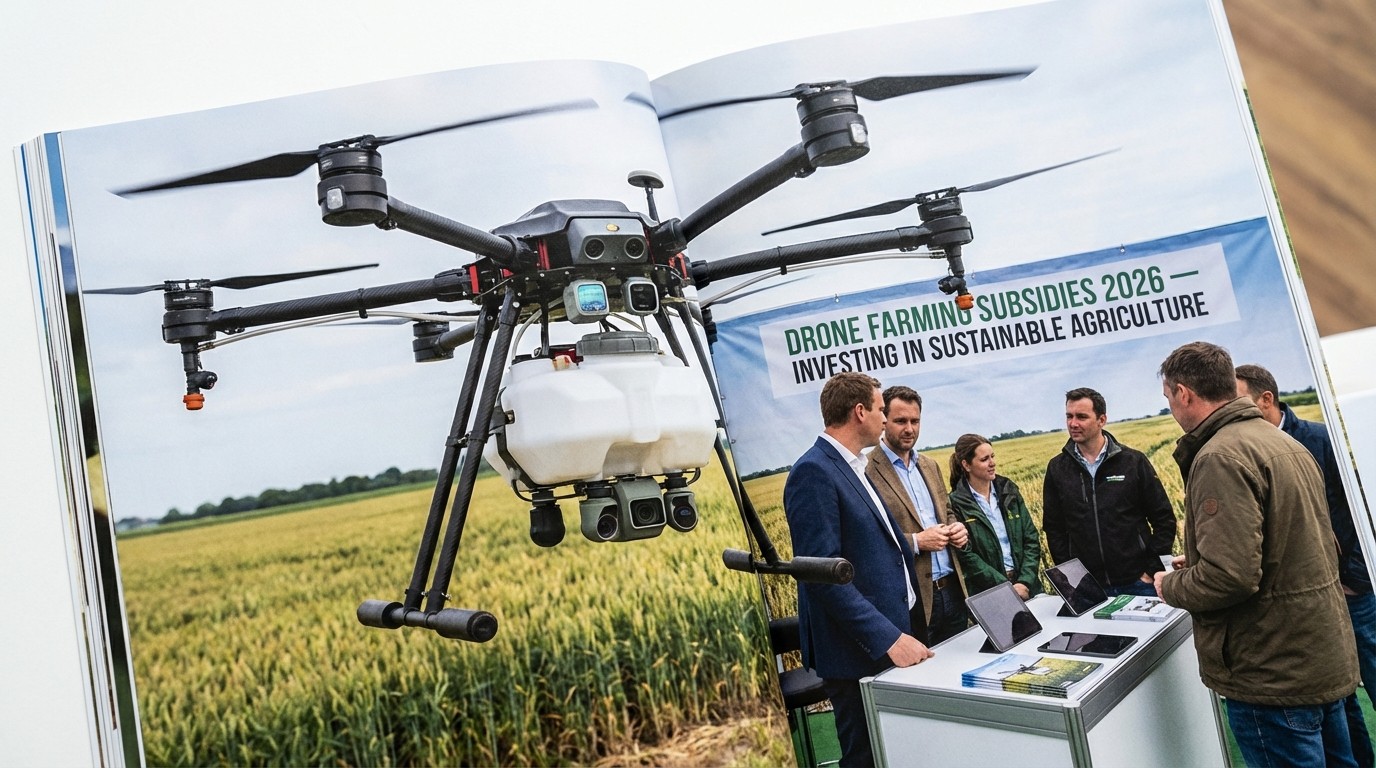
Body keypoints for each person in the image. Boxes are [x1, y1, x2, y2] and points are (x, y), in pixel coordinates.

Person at [1153, 341, 1358, 767]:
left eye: (1168, 397)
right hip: (1315, 652)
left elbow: (1230, 577)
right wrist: (1202, 560)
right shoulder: (1282, 442)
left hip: (1270, 669)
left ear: (1184, 393)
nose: (1170, 407)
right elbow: (1300, 544)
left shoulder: (1220, 456)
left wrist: (1170, 585)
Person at [784, 372, 932, 767]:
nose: (885, 419)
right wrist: (887, 639)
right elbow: (821, 576)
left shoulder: (853, 465)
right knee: (865, 756)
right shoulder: (814, 471)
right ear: (860, 411)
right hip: (858, 652)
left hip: (890, 634)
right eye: (882, 410)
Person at [1237, 362, 1375, 766]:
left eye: (1239, 399)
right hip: (1310, 601)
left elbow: (1358, 511)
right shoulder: (1247, 449)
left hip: (1350, 592)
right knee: (1339, 699)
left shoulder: (1318, 439)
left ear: (1267, 399)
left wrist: (1354, 577)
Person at [1042, 387, 1176, 597]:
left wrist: (1151, 569)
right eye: (1069, 416)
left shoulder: (1133, 462)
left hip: (1138, 583)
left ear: (1101, 420)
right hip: (1089, 588)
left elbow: (1164, 519)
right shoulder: (1057, 469)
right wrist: (1073, 578)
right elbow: (1054, 528)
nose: (1073, 424)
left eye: (1081, 417)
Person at [866, 386, 971, 644]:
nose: (909, 429)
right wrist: (917, 542)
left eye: (915, 421)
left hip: (953, 589)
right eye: (900, 421)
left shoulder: (929, 465)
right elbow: (869, 537)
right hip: (913, 598)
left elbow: (946, 511)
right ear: (884, 420)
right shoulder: (867, 470)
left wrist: (957, 528)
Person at [946, 434, 1042, 600]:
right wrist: (1005, 587)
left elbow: (1031, 538)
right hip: (990, 593)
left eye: (992, 456)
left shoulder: (1009, 491)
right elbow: (966, 555)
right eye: (984, 459)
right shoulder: (956, 503)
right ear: (966, 465)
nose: (992, 463)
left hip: (1026, 587)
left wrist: (1025, 582)